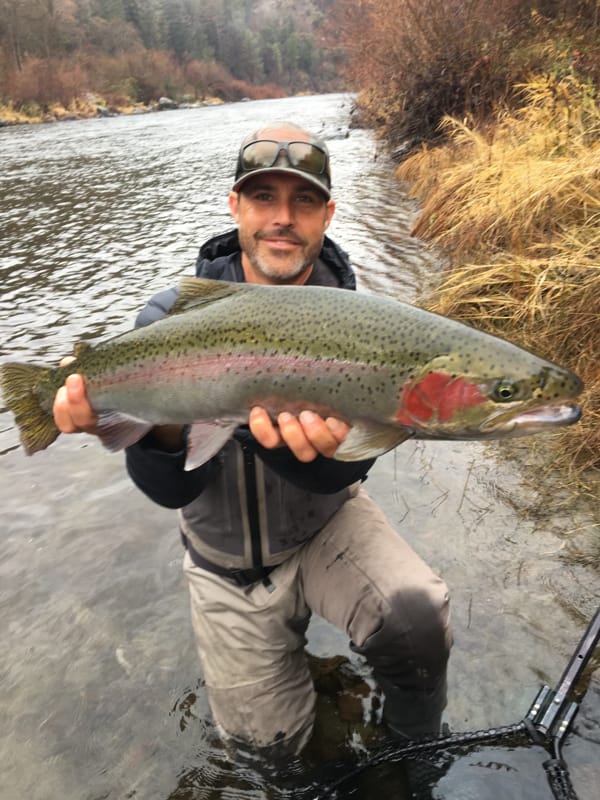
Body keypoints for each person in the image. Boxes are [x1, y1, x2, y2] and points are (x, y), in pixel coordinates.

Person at [53, 121, 452, 757]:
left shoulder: (359, 318)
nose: (282, 218)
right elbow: (166, 489)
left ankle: (414, 750)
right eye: (264, 197)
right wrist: (150, 426)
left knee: (420, 619)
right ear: (235, 205)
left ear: (328, 213)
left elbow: (348, 472)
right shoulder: (168, 320)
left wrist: (275, 436)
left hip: (328, 525)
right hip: (225, 558)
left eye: (303, 201)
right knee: (269, 752)